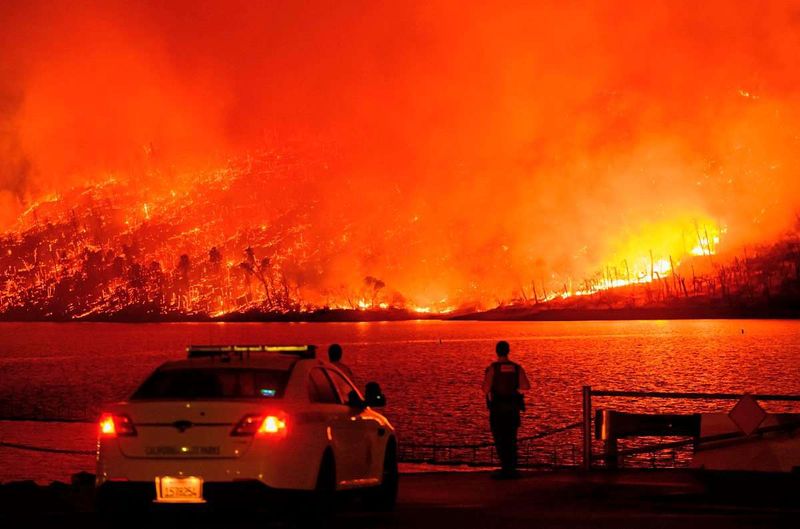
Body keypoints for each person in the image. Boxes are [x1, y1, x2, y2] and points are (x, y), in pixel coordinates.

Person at [481, 340, 530, 478]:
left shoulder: (492, 369)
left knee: (500, 438)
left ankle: (505, 468)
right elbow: (526, 386)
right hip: (513, 409)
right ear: (508, 351)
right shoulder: (517, 367)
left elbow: (485, 389)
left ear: (497, 351)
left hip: (497, 409)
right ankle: (512, 468)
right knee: (512, 438)